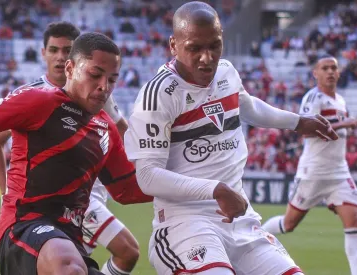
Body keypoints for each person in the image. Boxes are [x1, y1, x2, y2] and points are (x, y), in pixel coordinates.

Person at [124, 2, 338, 275]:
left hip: (241, 221)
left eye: (214, 45)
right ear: (173, 45)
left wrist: (296, 122)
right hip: (185, 224)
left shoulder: (226, 72)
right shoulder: (159, 94)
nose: (207, 57)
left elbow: (247, 107)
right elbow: (147, 177)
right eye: (194, 48)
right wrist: (217, 189)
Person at [0, 32, 152, 275]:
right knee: (68, 266)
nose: (104, 86)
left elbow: (127, 190)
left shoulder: (105, 127)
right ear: (70, 68)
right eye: (95, 74)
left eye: (112, 79)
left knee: (81, 261)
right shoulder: (38, 101)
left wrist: (187, 179)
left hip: (69, 240)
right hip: (24, 228)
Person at [0, 22, 140, 275]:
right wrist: (6, 195)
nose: (59, 57)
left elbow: (122, 132)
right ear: (43, 52)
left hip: (84, 198)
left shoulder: (99, 94)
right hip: (52, 203)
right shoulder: (31, 94)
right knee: (119, 252)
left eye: (67, 50)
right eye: (53, 50)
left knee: (108, 257)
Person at [262, 56, 357, 275]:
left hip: (338, 171)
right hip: (313, 172)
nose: (330, 72)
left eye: (333, 68)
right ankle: (257, 237)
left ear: (338, 73)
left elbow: (335, 132)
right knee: (289, 224)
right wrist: (346, 123)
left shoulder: (341, 101)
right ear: (315, 74)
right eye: (325, 68)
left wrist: (344, 126)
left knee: (354, 220)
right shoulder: (313, 97)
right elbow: (306, 130)